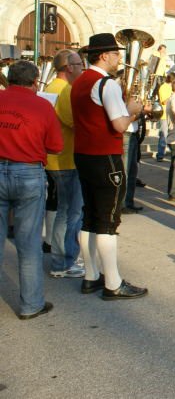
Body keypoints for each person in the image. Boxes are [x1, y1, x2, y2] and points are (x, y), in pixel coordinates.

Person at [71, 33, 147, 300]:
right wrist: (133, 109)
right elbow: (119, 125)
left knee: (90, 216)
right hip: (105, 156)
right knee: (108, 220)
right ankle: (113, 283)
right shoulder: (107, 84)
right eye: (116, 54)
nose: (119, 59)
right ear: (103, 56)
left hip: (84, 154)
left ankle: (91, 275)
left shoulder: (79, 81)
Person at [0, 61, 63, 319]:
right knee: (28, 243)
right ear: (35, 81)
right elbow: (56, 146)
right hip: (28, 172)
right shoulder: (43, 105)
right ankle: (30, 304)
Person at [44, 50, 86, 278]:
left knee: (64, 211)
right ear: (69, 67)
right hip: (67, 159)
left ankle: (61, 259)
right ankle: (64, 262)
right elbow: (76, 123)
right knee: (71, 213)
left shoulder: (50, 87)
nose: (82, 68)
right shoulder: (66, 90)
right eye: (80, 64)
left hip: (56, 159)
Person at [155, 71, 175, 162]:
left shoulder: (171, 87)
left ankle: (174, 154)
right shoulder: (163, 87)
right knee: (164, 136)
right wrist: (173, 95)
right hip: (164, 115)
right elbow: (164, 101)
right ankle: (160, 155)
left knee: (171, 135)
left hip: (172, 114)